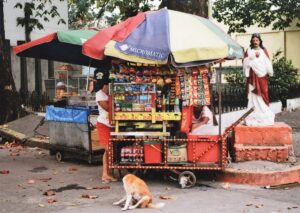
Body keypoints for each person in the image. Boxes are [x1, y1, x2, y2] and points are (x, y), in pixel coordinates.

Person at [243, 33, 275, 126]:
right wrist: (251, 57)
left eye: (257, 40)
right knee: (253, 94)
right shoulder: (249, 51)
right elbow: (245, 63)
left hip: (262, 76)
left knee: (264, 93)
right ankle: (253, 113)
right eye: (253, 41)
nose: (255, 42)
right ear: (251, 42)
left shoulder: (263, 50)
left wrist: (269, 72)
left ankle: (264, 112)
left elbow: (268, 63)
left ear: (260, 41)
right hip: (253, 76)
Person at [96, 71, 117, 183]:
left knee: (111, 150)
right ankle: (105, 174)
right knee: (108, 150)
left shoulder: (110, 94)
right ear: (104, 85)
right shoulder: (99, 94)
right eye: (108, 85)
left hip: (112, 125)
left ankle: (110, 173)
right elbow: (108, 108)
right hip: (103, 124)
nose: (109, 87)